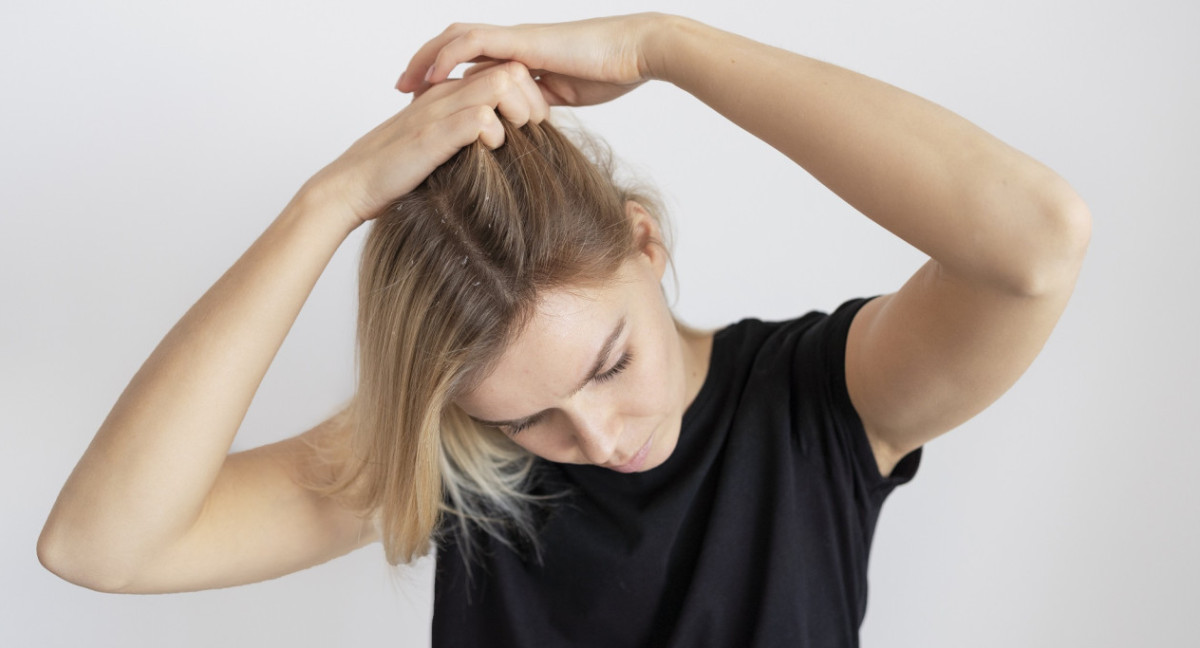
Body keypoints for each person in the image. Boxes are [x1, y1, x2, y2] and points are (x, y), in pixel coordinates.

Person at [37, 13, 1090, 647]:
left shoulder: (822, 404)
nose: (596, 436)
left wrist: (661, 45)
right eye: (529, 415)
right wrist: (332, 200)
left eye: (610, 361)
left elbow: (1037, 240)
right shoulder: (454, 462)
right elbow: (100, 544)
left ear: (644, 241)